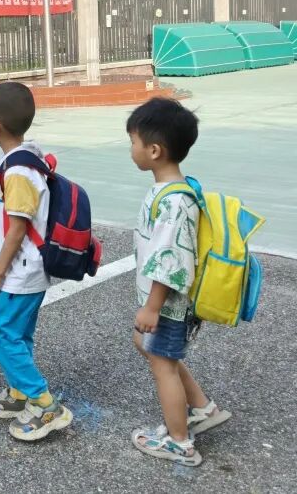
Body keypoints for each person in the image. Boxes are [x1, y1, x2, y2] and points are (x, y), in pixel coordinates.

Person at [126, 98, 230, 467]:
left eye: (133, 142)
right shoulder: (173, 191)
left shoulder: (173, 203)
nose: (131, 149)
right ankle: (202, 408)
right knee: (154, 350)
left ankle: (180, 442)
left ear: (154, 150)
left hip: (167, 305)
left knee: (162, 365)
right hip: (168, 304)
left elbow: (170, 262)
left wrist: (152, 307)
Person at [0, 81, 72, 441]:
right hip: (28, 269)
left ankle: (45, 403)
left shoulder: (17, 170)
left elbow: (18, 227)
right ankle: (20, 393)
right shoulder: (25, 160)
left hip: (21, 270)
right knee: (18, 334)